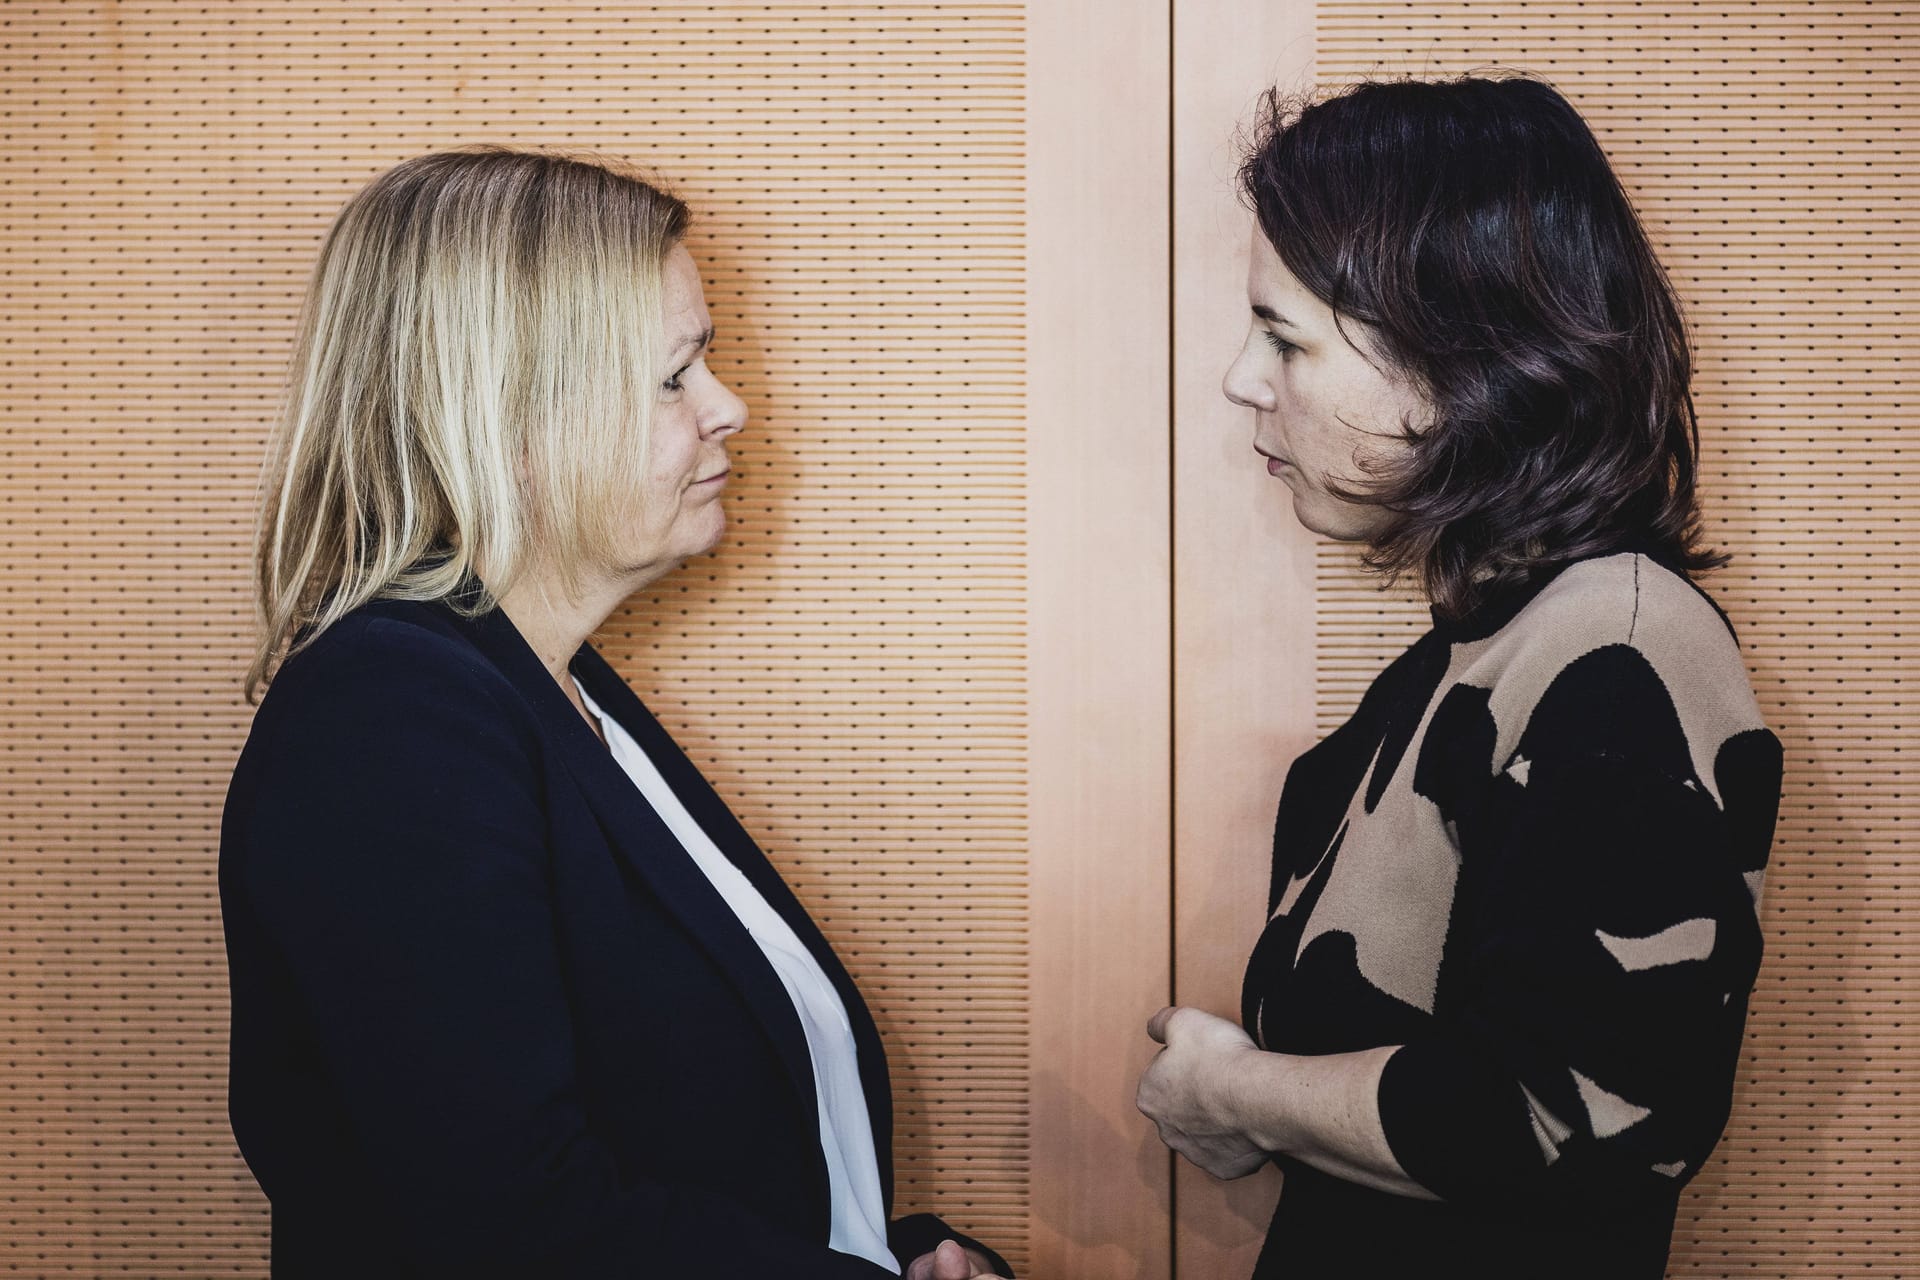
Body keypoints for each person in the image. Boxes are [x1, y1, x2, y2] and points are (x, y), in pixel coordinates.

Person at [219, 145, 1011, 1280]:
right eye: (675, 373)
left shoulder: (555, 693)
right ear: (510, 419)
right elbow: (510, 1225)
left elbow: (677, 1150)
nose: (729, 406)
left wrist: (894, 1252)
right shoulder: (391, 720)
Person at [1135, 75, 1782, 1278]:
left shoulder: (1620, 648)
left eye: (1285, 336)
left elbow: (1586, 1114)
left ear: (1460, 360)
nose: (1241, 379)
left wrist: (1241, 1091)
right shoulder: (1484, 645)